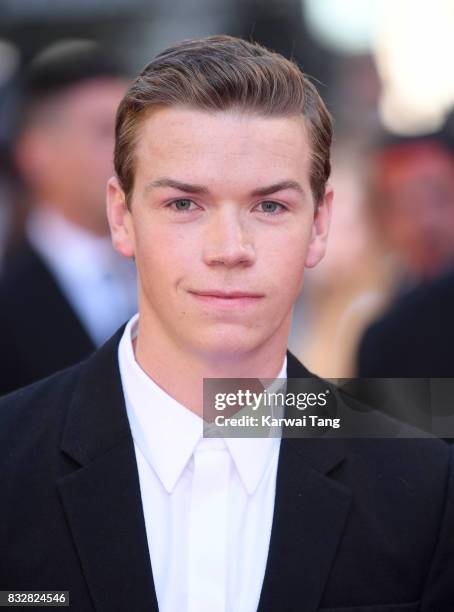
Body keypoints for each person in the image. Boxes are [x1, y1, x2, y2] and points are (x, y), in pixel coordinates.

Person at [1, 35, 453, 611]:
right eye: (184, 204)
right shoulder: (10, 463)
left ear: (320, 224)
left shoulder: (425, 489)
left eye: (270, 206)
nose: (229, 249)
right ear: (122, 216)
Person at [0, 40, 137, 396]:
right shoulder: (10, 303)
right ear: (36, 154)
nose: (130, 154)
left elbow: (222, 409)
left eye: (135, 133)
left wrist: (299, 408)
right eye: (105, 132)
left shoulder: (182, 270)